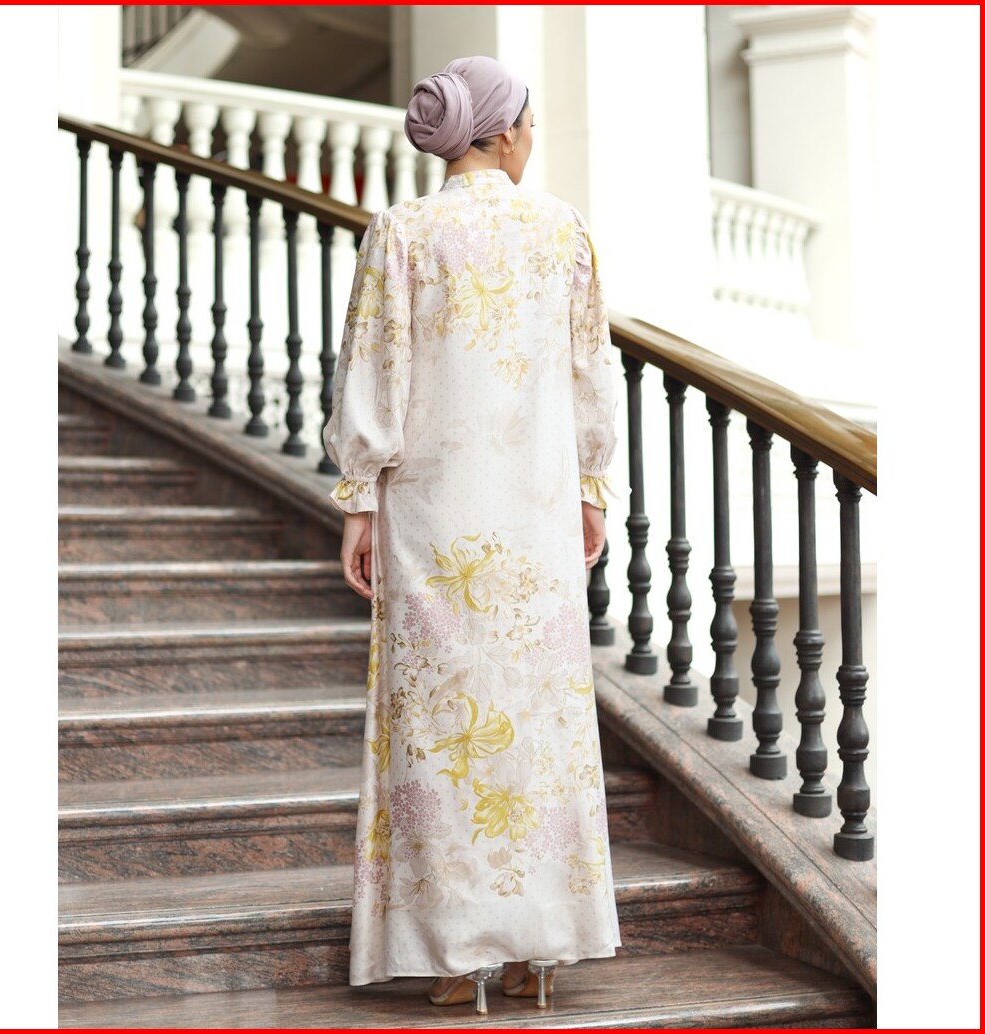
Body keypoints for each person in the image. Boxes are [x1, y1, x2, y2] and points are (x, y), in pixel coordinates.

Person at [323, 54, 621, 1014]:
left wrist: (360, 497)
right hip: (532, 517)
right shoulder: (562, 230)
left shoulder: (403, 230)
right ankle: (542, 950)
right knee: (538, 721)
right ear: (499, 132)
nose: (532, 139)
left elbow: (374, 371)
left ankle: (456, 957)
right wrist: (591, 486)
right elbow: (589, 372)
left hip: (435, 524)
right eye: (527, 123)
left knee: (440, 727)